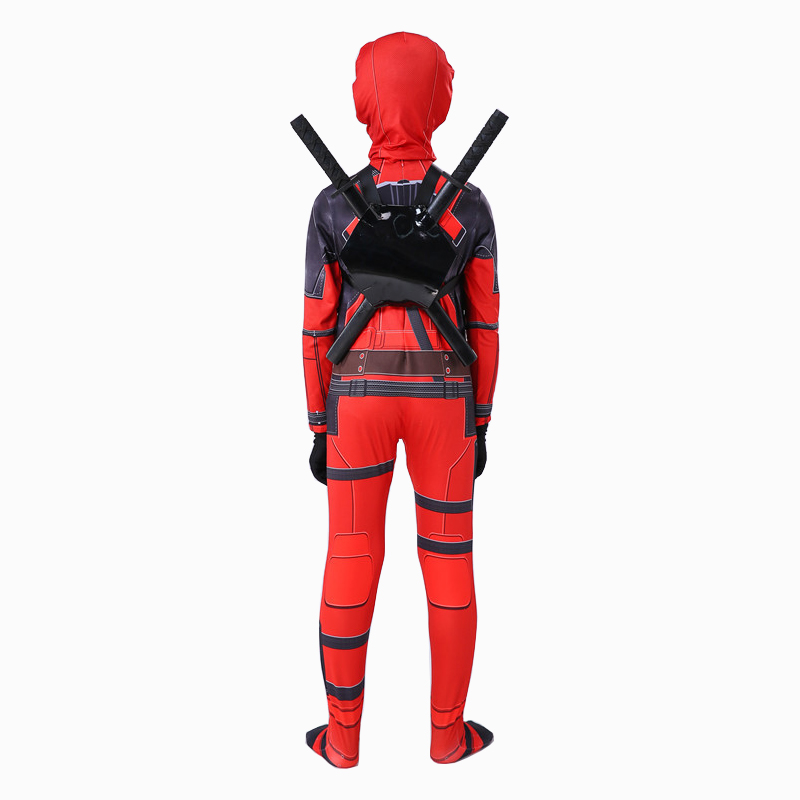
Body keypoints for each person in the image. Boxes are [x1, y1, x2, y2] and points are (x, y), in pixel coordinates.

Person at [301, 31, 500, 767]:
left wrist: (318, 421)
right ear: (439, 100)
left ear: (364, 100)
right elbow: (487, 324)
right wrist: (481, 420)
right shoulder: (470, 207)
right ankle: (448, 737)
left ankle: (341, 739)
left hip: (356, 395)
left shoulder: (332, 206)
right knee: (449, 560)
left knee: (350, 553)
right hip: (445, 395)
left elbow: (315, 325)